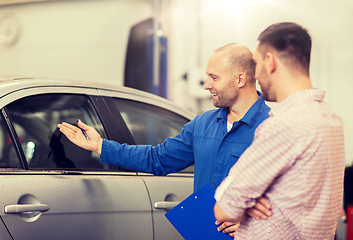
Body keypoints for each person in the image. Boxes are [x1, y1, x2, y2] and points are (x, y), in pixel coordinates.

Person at [59, 43, 271, 236]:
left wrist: (254, 222)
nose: (206, 85)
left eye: (214, 78)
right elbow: (157, 158)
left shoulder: (273, 128)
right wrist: (101, 146)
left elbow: (292, 195)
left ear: (240, 79)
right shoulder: (202, 124)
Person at [213, 22, 345, 240]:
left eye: (255, 63)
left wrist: (246, 201)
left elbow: (225, 207)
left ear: (270, 61)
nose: (255, 74)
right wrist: (254, 200)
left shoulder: (284, 125)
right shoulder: (331, 120)